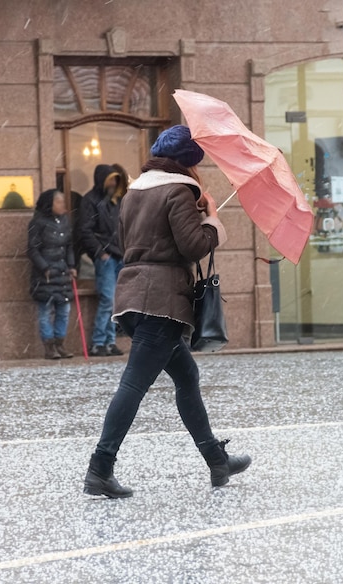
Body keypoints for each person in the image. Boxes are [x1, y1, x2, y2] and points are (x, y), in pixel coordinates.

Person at [83, 125, 251, 498]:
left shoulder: (135, 191)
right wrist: (210, 219)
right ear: (187, 163)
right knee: (133, 384)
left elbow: (135, 242)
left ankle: (216, 461)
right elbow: (192, 246)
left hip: (134, 295)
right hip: (162, 302)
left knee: (186, 376)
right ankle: (99, 468)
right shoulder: (179, 190)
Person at [79, 163, 128, 356]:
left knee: (116, 301)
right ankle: (99, 342)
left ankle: (109, 341)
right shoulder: (90, 201)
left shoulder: (116, 202)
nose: (114, 183)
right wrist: (100, 252)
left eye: (115, 180)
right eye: (110, 180)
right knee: (108, 299)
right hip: (107, 258)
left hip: (119, 255)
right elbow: (85, 230)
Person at [27, 189, 77, 359]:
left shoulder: (64, 221)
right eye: (59, 202)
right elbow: (33, 250)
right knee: (45, 311)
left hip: (63, 272)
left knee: (64, 309)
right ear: (50, 204)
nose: (63, 205)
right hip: (46, 275)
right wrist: (45, 267)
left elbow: (69, 245)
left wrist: (71, 265)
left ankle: (59, 344)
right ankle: (49, 347)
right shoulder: (38, 222)